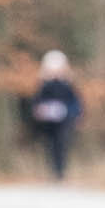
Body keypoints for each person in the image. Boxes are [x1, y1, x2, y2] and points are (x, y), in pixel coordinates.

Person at [30, 50, 84, 182]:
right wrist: (41, 111)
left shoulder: (68, 85)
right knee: (50, 145)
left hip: (65, 120)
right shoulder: (44, 85)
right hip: (48, 122)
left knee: (62, 144)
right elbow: (37, 102)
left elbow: (75, 102)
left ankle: (60, 172)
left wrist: (73, 114)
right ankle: (53, 171)